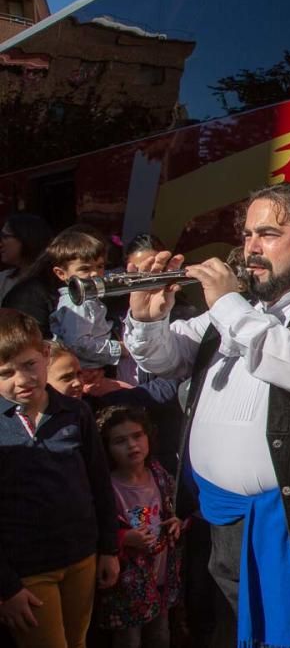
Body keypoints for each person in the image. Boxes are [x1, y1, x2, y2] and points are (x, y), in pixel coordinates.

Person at [123, 182, 290, 647]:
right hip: (220, 518)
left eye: (267, 233)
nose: (251, 249)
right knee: (230, 627)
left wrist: (228, 304)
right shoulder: (234, 315)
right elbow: (164, 358)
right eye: (246, 235)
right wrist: (147, 317)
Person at [0, 308, 120, 647]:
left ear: (44, 354)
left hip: (81, 557)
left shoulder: (75, 412)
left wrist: (108, 548)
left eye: (29, 365)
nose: (21, 380)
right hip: (27, 570)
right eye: (6, 372)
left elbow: (99, 483)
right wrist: (6, 587)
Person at [93, 405, 182, 648]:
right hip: (126, 587)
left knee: (161, 635)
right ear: (106, 447)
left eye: (137, 436)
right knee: (129, 640)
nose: (132, 445)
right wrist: (123, 538)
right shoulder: (106, 487)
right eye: (120, 441)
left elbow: (176, 509)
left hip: (161, 576)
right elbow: (96, 527)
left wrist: (179, 522)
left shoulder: (159, 474)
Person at [48, 229, 127, 371]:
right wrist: (119, 348)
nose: (95, 273)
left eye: (100, 266)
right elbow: (78, 344)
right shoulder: (76, 303)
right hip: (85, 372)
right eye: (85, 269)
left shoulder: (90, 298)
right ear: (61, 273)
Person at [0, 214, 53, 303]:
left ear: (26, 237)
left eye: (5, 237)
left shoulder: (53, 280)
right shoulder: (3, 279)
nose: (0, 244)